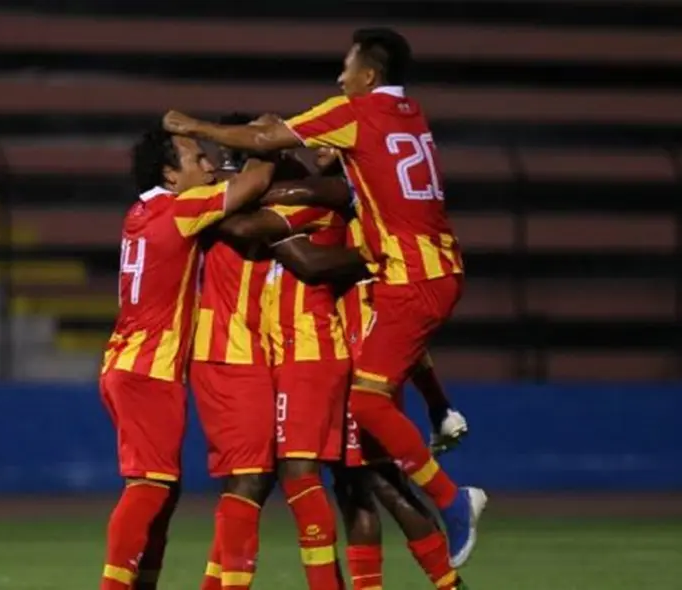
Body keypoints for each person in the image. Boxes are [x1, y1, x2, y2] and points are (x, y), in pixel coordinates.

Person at [162, 26, 486, 567]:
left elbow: (271, 146)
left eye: (346, 68)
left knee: (362, 453)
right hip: (430, 270)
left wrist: (191, 125)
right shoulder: (410, 117)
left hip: (394, 289)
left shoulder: (353, 116)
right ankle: (445, 469)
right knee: (357, 475)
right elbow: (316, 164)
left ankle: (453, 503)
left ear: (368, 76)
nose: (339, 77)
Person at [97, 125, 276, 590]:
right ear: (170, 175)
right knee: (149, 488)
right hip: (148, 371)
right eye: (197, 159)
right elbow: (254, 183)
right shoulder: (180, 210)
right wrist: (269, 144)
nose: (209, 165)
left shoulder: (141, 211)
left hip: (127, 363)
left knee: (163, 490)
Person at [187, 114, 279, 590]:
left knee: (249, 480)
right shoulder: (227, 206)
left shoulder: (220, 201)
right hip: (230, 348)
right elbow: (248, 224)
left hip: (241, 350)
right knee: (251, 477)